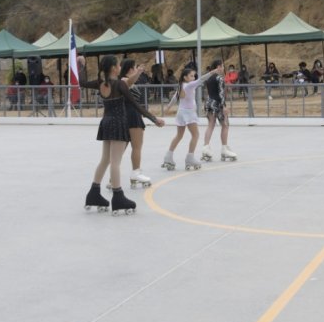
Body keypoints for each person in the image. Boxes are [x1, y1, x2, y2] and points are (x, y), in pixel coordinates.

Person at [78, 55, 165, 215]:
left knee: (105, 160)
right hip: (118, 123)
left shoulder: (101, 83)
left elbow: (81, 82)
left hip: (106, 122)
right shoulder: (119, 85)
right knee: (115, 162)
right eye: (118, 64)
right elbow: (136, 105)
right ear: (113, 68)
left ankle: (93, 194)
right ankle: (118, 197)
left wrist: (81, 65)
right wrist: (154, 119)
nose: (120, 66)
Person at [163, 64, 222, 171]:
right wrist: (212, 72)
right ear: (185, 77)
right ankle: (190, 157)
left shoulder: (181, 85)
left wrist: (168, 107)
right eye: (191, 76)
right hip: (189, 113)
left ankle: (168, 156)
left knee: (179, 135)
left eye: (194, 76)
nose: (193, 78)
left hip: (181, 112)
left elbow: (175, 97)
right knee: (195, 135)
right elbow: (201, 79)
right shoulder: (189, 85)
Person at [117, 59, 155, 188]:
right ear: (130, 69)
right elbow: (129, 81)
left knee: (123, 148)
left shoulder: (125, 81)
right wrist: (139, 72)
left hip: (129, 115)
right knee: (136, 147)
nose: (136, 69)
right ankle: (135, 172)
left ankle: (115, 177)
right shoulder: (123, 81)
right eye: (135, 67)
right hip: (131, 116)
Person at [202, 59, 237, 162]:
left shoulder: (208, 78)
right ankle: (224, 149)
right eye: (222, 66)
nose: (223, 68)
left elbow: (210, 92)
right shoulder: (219, 78)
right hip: (217, 104)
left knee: (210, 125)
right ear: (218, 67)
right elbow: (221, 94)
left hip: (209, 103)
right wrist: (224, 106)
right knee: (225, 125)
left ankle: (205, 148)